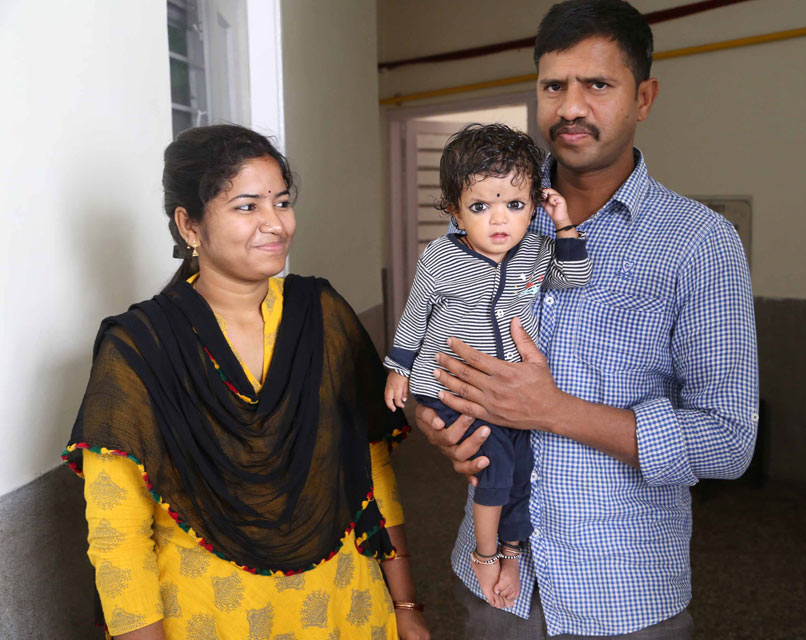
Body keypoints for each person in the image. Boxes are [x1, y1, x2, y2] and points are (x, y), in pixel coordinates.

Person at [414, 1, 759, 638]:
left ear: (644, 96)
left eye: (597, 85)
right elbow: (439, 345)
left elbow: (729, 440)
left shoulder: (699, 243)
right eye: (554, 86)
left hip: (623, 594)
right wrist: (438, 421)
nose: (571, 107)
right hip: (492, 585)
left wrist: (550, 409)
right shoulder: (491, 215)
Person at [63, 125, 430, 640]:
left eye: (281, 202)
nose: (274, 224)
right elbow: (116, 534)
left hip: (344, 606)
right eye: (247, 206)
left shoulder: (320, 315)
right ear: (189, 225)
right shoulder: (140, 349)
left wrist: (406, 603)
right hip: (208, 615)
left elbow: (372, 472)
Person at [383, 124, 591, 610]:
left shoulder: (536, 252)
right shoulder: (441, 257)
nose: (499, 219)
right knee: (495, 466)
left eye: (515, 205)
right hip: (453, 382)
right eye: (480, 206)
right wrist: (399, 369)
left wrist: (563, 225)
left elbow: (575, 277)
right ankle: (485, 553)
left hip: (514, 389)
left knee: (523, 468)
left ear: (535, 206)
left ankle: (512, 547)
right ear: (454, 211)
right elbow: (416, 314)